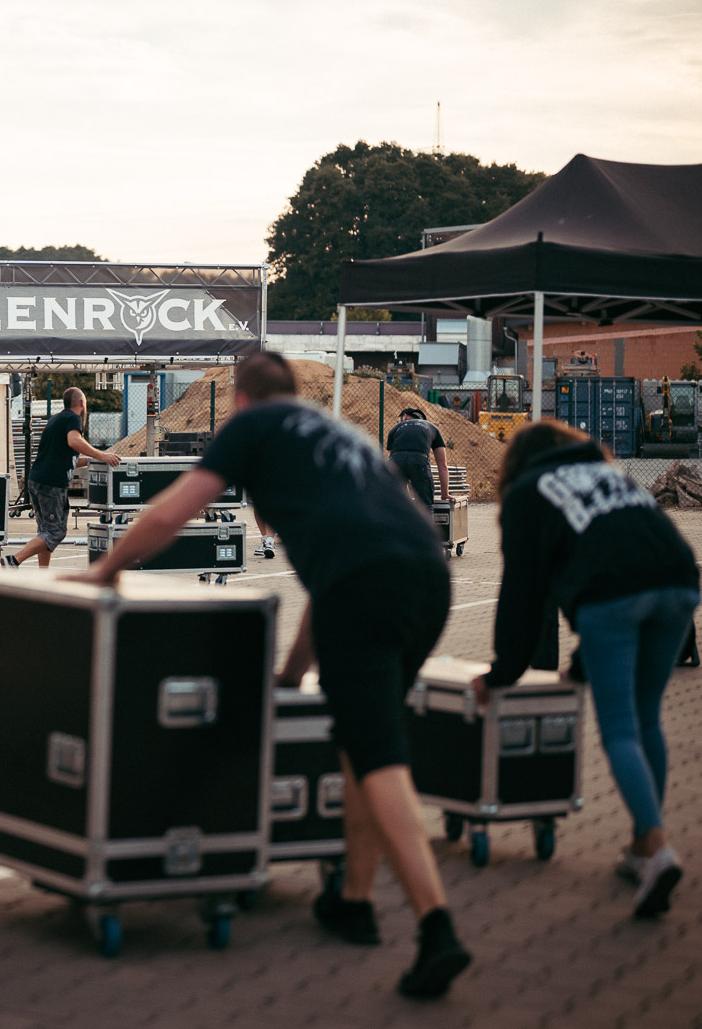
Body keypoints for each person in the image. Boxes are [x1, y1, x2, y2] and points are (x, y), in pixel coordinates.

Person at [80, 351, 471, 1000]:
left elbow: (177, 508)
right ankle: (354, 899)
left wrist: (104, 570)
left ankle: (437, 926)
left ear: (240, 398)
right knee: (360, 741)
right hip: (427, 579)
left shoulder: (254, 426)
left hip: (366, 588)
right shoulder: (336, 435)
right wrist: (291, 676)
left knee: (379, 756)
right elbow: (338, 568)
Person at [470, 420, 700, 919]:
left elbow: (524, 596)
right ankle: (641, 845)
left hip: (613, 596)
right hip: (680, 581)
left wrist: (500, 674)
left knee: (618, 729)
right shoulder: (607, 473)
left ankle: (657, 849)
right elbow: (615, 544)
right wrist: (581, 665)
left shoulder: (530, 492)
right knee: (647, 718)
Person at [3, 386, 121, 569]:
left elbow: (68, 456)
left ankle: (44, 574)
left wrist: (92, 460)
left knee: (46, 532)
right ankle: (14, 560)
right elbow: (74, 441)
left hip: (37, 481)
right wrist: (102, 455)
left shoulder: (56, 419)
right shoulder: (74, 418)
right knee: (56, 532)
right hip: (51, 484)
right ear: (82, 403)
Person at [385, 406, 449, 511]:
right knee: (425, 506)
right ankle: (424, 525)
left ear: (404, 416)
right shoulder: (432, 428)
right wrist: (445, 494)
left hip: (396, 460)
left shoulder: (395, 428)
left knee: (394, 504)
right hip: (419, 460)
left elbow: (394, 460)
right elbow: (442, 466)